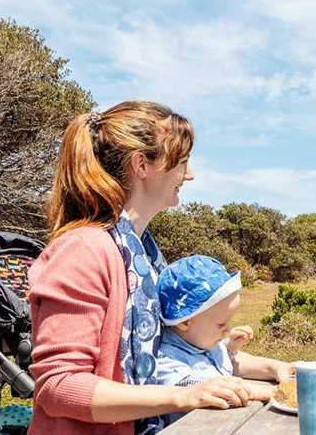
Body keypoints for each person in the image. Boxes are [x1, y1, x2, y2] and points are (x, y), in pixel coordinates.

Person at [29, 101, 255, 435]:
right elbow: (59, 386)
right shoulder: (84, 250)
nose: (189, 175)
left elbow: (177, 348)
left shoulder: (142, 254)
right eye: (181, 161)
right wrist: (181, 397)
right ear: (142, 165)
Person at [154, 255, 294, 424]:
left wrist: (275, 367)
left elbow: (229, 362)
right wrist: (275, 393)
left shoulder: (199, 340)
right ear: (185, 321)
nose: (228, 330)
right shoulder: (167, 360)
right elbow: (208, 389)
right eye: (221, 324)